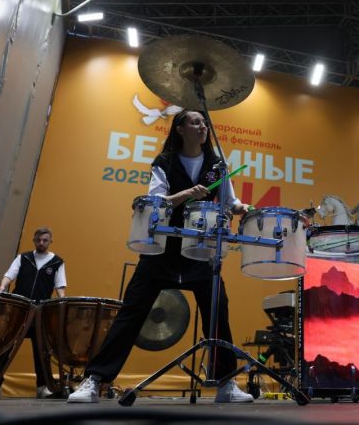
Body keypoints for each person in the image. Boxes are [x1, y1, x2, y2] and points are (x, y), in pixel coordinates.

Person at [67, 109, 253, 404]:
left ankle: (225, 384)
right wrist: (186, 194)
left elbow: (230, 202)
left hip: (200, 250)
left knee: (218, 311)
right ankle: (95, 379)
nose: (202, 127)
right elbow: (156, 200)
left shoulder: (217, 165)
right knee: (131, 313)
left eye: (204, 123)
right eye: (195, 122)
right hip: (163, 249)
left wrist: (243, 208)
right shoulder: (164, 162)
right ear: (180, 129)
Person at [0, 227, 67, 398]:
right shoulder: (23, 257)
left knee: (41, 350)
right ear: (34, 240)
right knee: (5, 347)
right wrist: (2, 286)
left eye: (45, 240)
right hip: (20, 309)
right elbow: (9, 275)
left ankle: (43, 387)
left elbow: (60, 286)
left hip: (40, 312)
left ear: (50, 241)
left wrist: (62, 301)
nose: (41, 243)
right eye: (38, 240)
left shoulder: (57, 262)